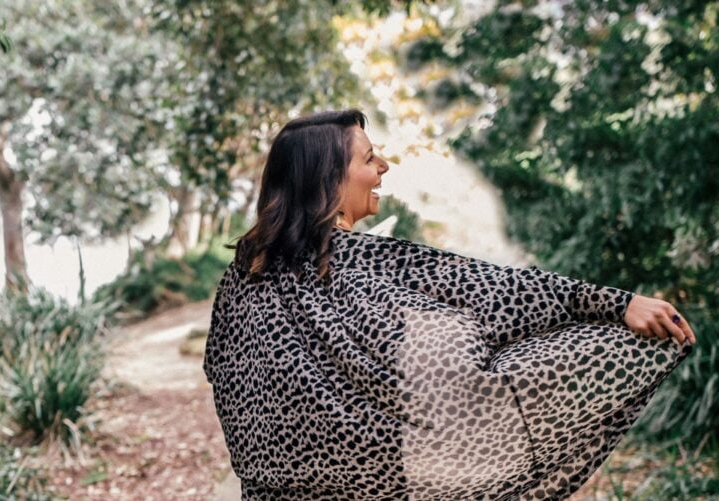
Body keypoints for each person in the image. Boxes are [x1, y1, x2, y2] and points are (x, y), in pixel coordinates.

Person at [202, 109, 695, 500]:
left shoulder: (241, 278)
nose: (383, 168)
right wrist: (616, 306)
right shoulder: (373, 258)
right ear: (329, 179)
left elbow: (220, 375)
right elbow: (498, 293)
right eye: (369, 159)